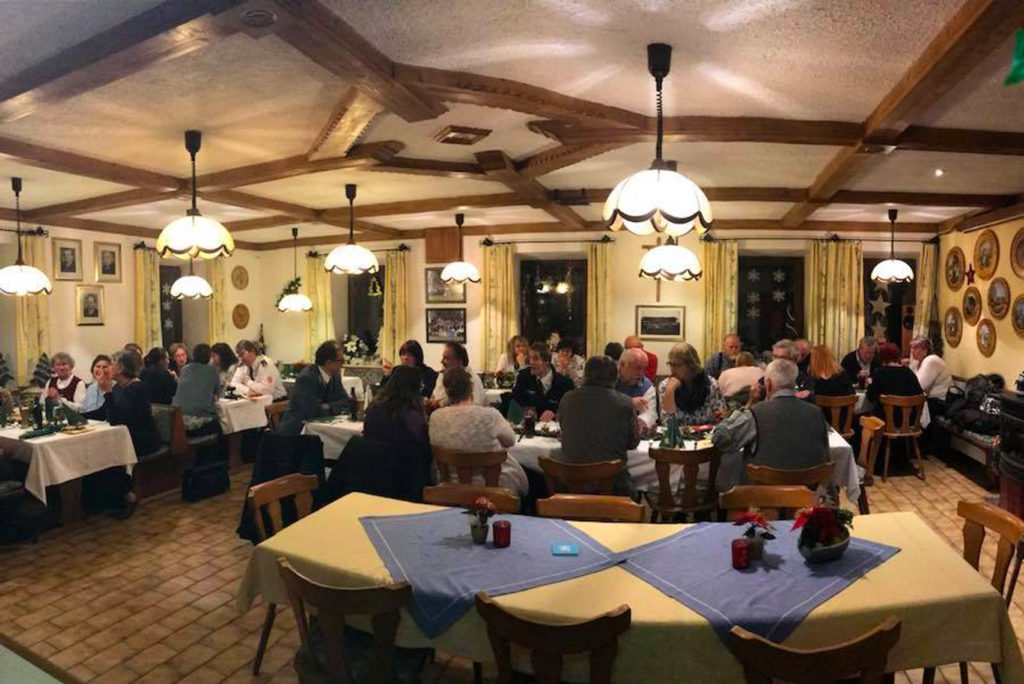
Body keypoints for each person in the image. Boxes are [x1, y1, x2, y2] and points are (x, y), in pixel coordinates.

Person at [711, 359, 829, 470]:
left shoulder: (756, 414)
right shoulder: (816, 413)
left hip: (763, 489)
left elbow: (720, 438)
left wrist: (749, 404)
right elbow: (825, 455)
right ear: (794, 383)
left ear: (768, 384)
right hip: (807, 489)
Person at [429, 367, 528, 496]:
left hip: (449, 487)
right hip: (491, 488)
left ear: (446, 391)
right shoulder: (490, 415)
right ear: (471, 388)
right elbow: (510, 440)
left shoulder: (436, 417)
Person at [90, 350, 160, 518]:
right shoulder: (121, 387)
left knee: (109, 453)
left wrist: (107, 392)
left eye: (111, 364)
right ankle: (106, 500)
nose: (108, 369)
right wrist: (76, 417)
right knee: (99, 450)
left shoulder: (138, 388)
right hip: (125, 436)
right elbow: (103, 412)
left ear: (120, 368)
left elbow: (117, 419)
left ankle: (128, 496)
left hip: (144, 437)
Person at [560, 356, 640, 496]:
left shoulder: (567, 399)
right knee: (636, 489)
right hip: (613, 485)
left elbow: (562, 427)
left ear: (586, 375)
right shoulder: (625, 403)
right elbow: (633, 442)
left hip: (572, 483)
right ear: (615, 377)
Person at [278, 340, 350, 436]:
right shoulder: (307, 378)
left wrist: (327, 406)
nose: (343, 364)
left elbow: (345, 401)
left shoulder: (335, 376)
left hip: (322, 428)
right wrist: (335, 407)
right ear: (329, 362)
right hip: (297, 432)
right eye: (341, 361)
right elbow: (311, 411)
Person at [659, 343, 726, 425]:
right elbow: (667, 423)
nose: (672, 369)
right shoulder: (665, 385)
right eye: (670, 364)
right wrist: (670, 391)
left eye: (677, 365)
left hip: (706, 435)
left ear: (691, 365)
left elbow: (721, 418)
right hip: (678, 435)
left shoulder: (711, 384)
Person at [364, 365, 429, 448]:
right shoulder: (412, 415)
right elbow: (423, 440)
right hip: (405, 458)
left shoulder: (374, 408)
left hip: (373, 457)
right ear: (415, 389)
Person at [510, 342, 575, 421]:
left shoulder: (565, 384)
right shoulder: (524, 377)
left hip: (554, 429)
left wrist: (556, 413)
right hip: (529, 427)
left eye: (535, 359)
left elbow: (570, 411)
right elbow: (515, 401)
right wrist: (525, 410)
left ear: (547, 362)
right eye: (530, 358)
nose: (531, 362)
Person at [866, 342, 923, 419]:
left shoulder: (880, 373)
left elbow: (870, 396)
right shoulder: (908, 372)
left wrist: (870, 383)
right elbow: (919, 394)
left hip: (885, 421)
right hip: (910, 421)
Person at [172, 344, 221, 432]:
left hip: (177, 421)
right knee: (223, 425)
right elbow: (218, 394)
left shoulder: (184, 369)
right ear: (209, 356)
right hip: (198, 422)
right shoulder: (212, 370)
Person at [750, 339, 814, 403]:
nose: (776, 361)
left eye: (782, 358)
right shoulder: (765, 379)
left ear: (794, 359)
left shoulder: (804, 381)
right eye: (775, 357)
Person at [428, 342, 485, 407]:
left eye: (446, 358)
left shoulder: (473, 379)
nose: (441, 361)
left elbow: (474, 408)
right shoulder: (442, 375)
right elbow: (434, 397)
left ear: (459, 361)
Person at [616, 347, 657, 435]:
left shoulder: (647, 385)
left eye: (644, 368)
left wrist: (642, 421)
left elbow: (650, 412)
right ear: (622, 365)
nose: (641, 374)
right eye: (637, 368)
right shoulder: (608, 379)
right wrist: (628, 403)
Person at [908, 336, 952, 418]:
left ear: (925, 350)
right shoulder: (916, 363)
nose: (912, 351)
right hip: (927, 399)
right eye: (911, 348)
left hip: (939, 402)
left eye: (916, 348)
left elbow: (919, 386)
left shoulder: (931, 360)